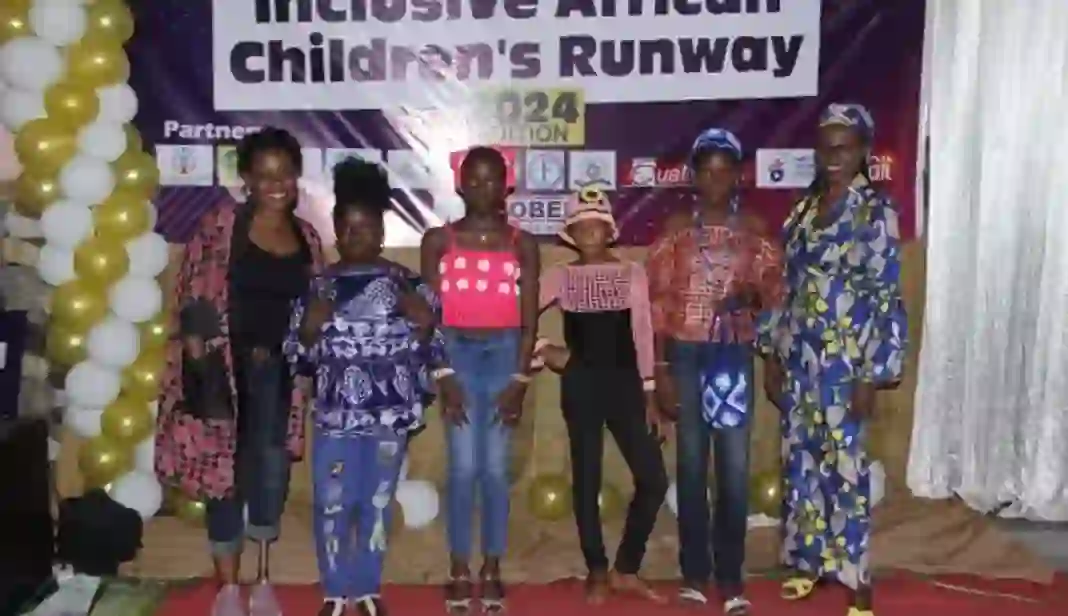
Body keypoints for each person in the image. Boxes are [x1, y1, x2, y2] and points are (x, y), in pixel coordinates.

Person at [155, 127, 325, 616]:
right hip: (223, 371)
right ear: (246, 177)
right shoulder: (219, 226)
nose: (277, 184)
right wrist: (199, 368)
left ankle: (263, 580)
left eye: (285, 173)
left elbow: (317, 308)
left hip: (281, 378)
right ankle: (228, 588)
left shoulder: (309, 238)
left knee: (270, 473)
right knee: (222, 475)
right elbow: (192, 295)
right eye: (265, 175)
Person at [284, 158, 462, 616]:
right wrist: (308, 331)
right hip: (335, 416)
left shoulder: (408, 284)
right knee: (332, 503)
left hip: (388, 418)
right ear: (335, 230)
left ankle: (366, 590)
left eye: (365, 227)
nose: (355, 236)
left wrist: (425, 324)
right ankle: (334, 593)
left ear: (381, 231)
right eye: (346, 227)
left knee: (376, 502)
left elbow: (436, 349)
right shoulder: (318, 287)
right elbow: (296, 360)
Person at [759, 104, 906, 616]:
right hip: (799, 355)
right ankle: (809, 563)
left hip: (847, 360)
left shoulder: (875, 212)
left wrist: (871, 373)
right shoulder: (802, 211)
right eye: (825, 147)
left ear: (863, 150)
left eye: (844, 147)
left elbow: (885, 295)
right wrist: (771, 352)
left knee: (845, 467)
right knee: (801, 461)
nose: (833, 156)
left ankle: (856, 578)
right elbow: (783, 285)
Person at [647, 129, 784, 615]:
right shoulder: (677, 227)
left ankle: (731, 577)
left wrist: (753, 297)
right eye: (706, 171)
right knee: (690, 464)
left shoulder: (753, 227)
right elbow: (656, 301)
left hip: (732, 356)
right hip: (684, 354)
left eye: (725, 171)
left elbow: (775, 290)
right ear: (692, 176)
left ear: (739, 175)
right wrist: (659, 369)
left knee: (733, 466)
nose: (715, 181)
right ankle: (693, 574)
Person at [419, 146, 540, 615]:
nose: (482, 189)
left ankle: (491, 566)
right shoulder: (438, 240)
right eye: (474, 180)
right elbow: (429, 318)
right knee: (463, 467)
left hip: (504, 353)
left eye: (492, 180)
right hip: (457, 353)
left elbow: (529, 321)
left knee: (494, 469)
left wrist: (520, 378)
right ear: (459, 185)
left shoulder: (521, 243)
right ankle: (458, 566)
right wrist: (443, 373)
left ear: (505, 185)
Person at [535, 188, 669, 604]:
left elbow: (643, 333)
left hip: (626, 386)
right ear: (571, 233)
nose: (590, 231)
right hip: (582, 385)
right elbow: (518, 314)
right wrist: (543, 349)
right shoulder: (560, 275)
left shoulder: (631, 272)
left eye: (597, 224)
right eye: (581, 225)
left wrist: (650, 392)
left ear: (610, 231)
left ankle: (625, 568)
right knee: (586, 478)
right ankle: (596, 568)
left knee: (654, 479)